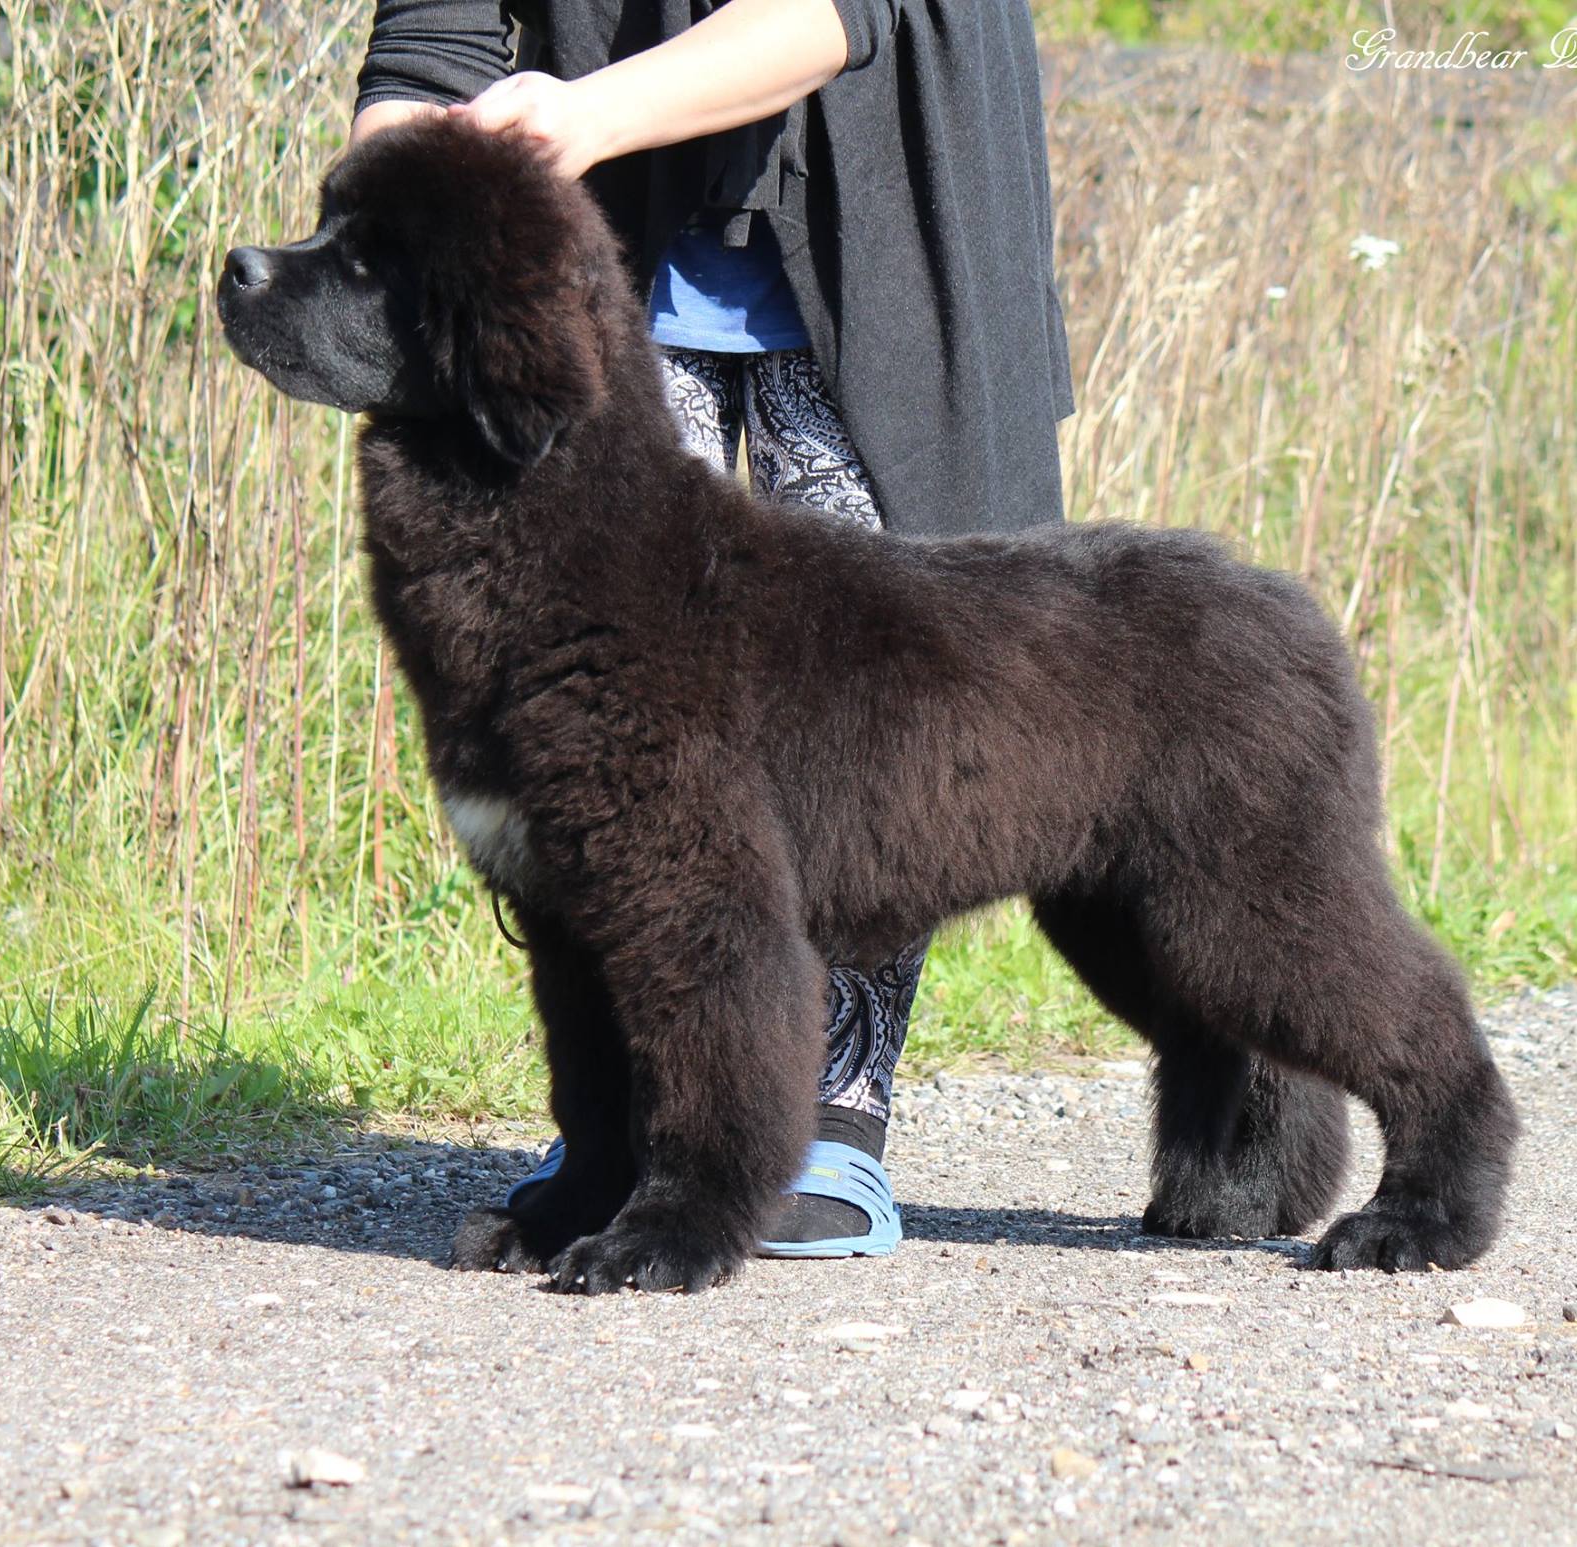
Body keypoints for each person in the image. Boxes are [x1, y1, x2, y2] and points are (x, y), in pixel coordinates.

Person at [350, 0, 1072, 1253]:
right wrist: (417, 210)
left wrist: (583, 116)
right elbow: (429, 42)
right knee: (617, 760)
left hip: (882, 201)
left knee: (870, 719)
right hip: (602, 242)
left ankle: (829, 1113)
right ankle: (635, 1129)